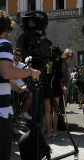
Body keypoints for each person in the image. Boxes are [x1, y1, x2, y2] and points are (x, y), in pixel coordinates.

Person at [0, 10, 41, 160]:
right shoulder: (3, 44)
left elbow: (1, 77)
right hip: (1, 111)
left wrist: (18, 88)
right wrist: (31, 73)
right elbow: (6, 72)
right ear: (6, 28)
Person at [44, 52, 66, 138]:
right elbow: (60, 75)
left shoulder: (46, 61)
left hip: (46, 87)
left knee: (47, 111)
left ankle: (49, 132)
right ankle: (55, 130)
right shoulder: (59, 61)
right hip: (56, 87)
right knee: (55, 110)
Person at [12, 48, 32, 120]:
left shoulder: (22, 65)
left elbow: (29, 72)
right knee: (12, 105)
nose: (18, 56)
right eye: (16, 54)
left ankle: (24, 112)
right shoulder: (10, 64)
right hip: (12, 87)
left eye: (19, 55)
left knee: (30, 95)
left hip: (21, 86)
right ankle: (13, 123)